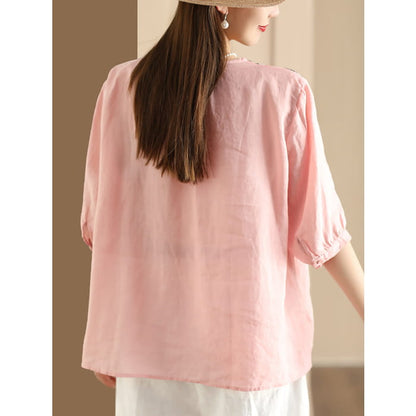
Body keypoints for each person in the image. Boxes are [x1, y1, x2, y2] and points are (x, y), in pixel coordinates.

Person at [79, 0, 364, 414]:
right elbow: (322, 231)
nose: (275, 11)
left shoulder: (121, 87)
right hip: (248, 352)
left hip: (148, 354)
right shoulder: (282, 94)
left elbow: (108, 229)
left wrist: (111, 338)